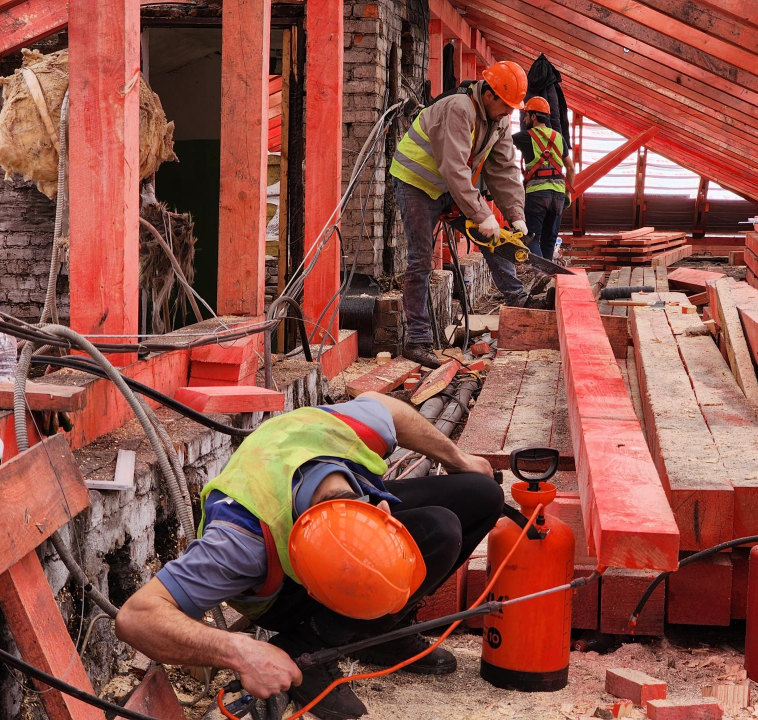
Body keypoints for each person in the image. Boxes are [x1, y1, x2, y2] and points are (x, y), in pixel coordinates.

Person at [115, 392, 502, 720]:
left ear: (378, 510)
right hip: (284, 596)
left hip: (321, 503)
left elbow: (389, 408)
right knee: (439, 532)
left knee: (480, 497)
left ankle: (380, 634)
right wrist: (240, 651)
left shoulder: (347, 431)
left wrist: (458, 459)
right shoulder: (241, 542)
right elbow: (136, 617)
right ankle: (308, 645)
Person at [390, 61, 532, 369]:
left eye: (513, 108)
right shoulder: (458, 108)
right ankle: (417, 341)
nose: (509, 113)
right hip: (416, 182)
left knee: (496, 239)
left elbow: (504, 169)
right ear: (489, 95)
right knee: (420, 259)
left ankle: (519, 301)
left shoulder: (499, 122)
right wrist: (482, 213)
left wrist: (515, 215)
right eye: (506, 106)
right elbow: (453, 168)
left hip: (448, 185)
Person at [512, 96, 576, 260]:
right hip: (558, 195)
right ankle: (547, 273)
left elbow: (500, 142)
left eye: (526, 115)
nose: (524, 119)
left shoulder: (524, 137)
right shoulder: (559, 137)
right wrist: (568, 194)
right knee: (549, 240)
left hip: (537, 193)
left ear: (533, 116)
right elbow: (570, 168)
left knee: (532, 238)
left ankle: (540, 271)